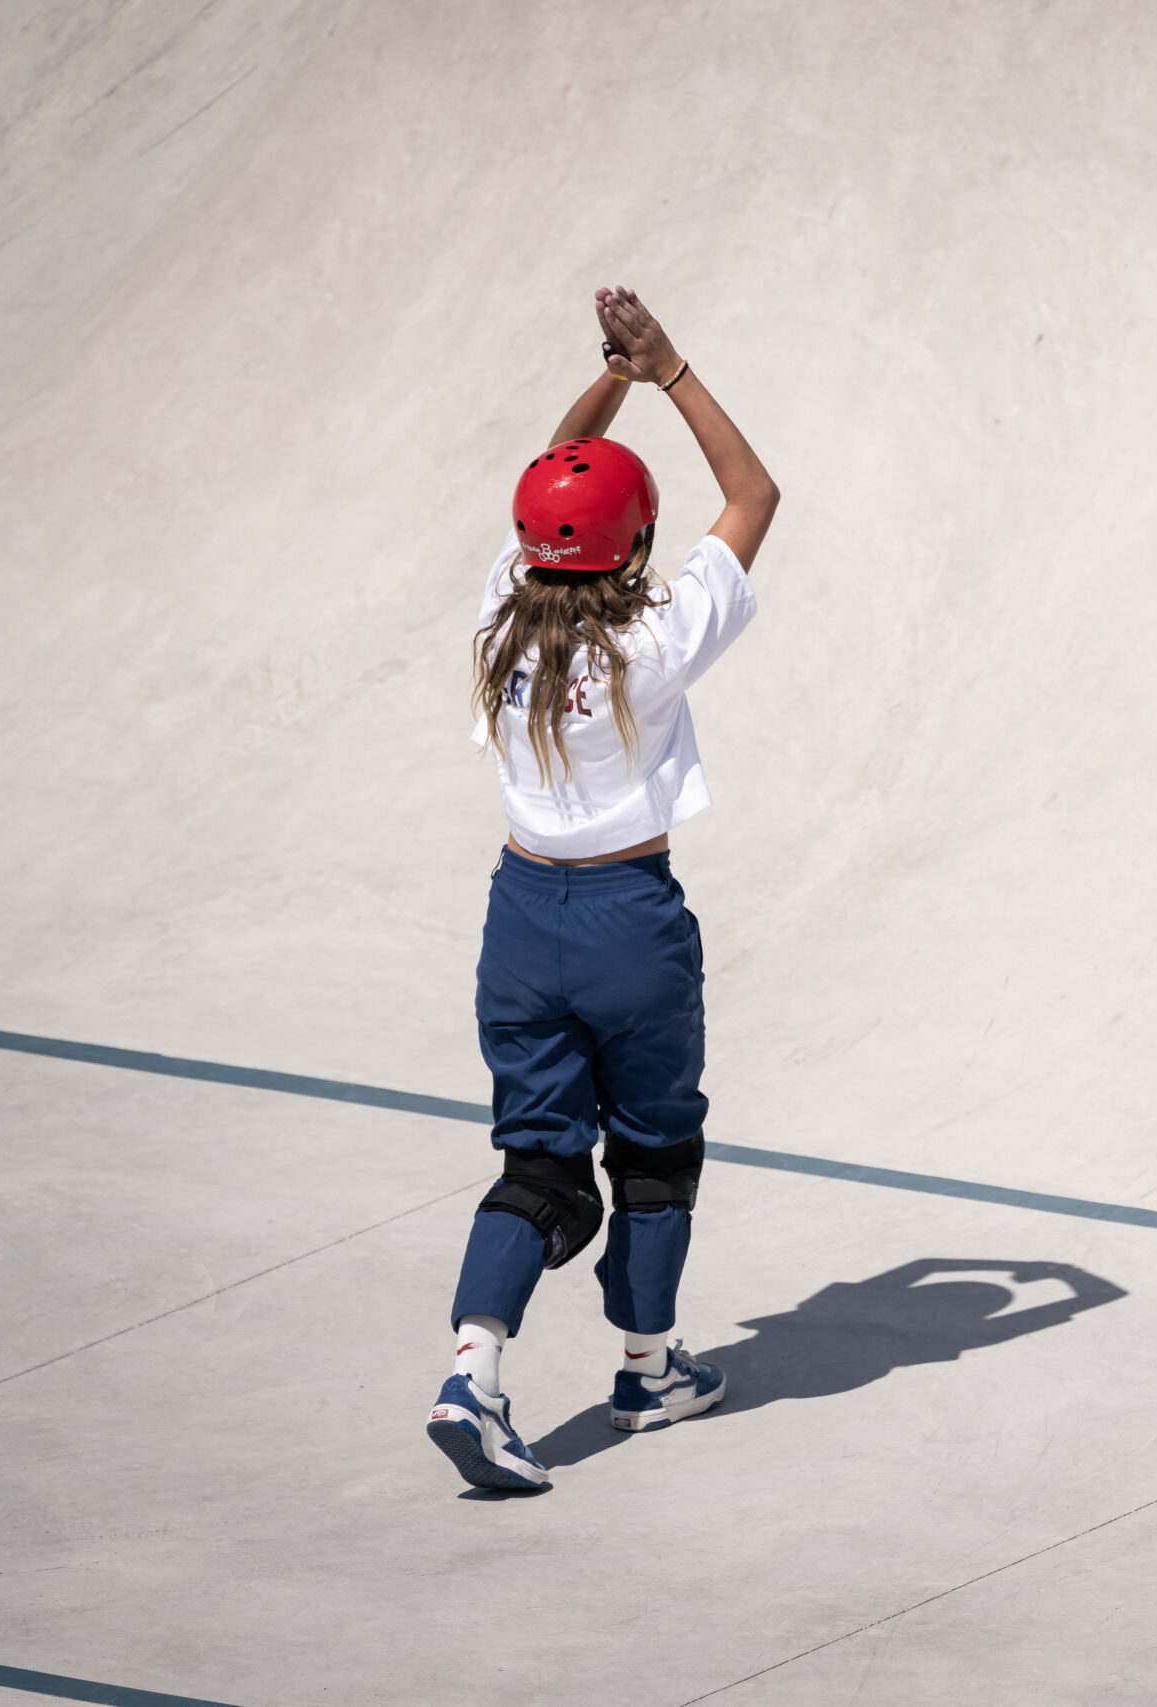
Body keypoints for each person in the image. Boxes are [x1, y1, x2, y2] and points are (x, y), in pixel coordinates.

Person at [426, 286, 779, 1492]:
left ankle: (472, 1370)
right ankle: (649, 1367)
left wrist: (610, 383)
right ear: (632, 547)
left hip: (520, 920)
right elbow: (753, 496)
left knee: (535, 1161)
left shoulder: (497, 618)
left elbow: (549, 478)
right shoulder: (657, 638)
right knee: (655, 1149)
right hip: (630, 925)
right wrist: (668, 369)